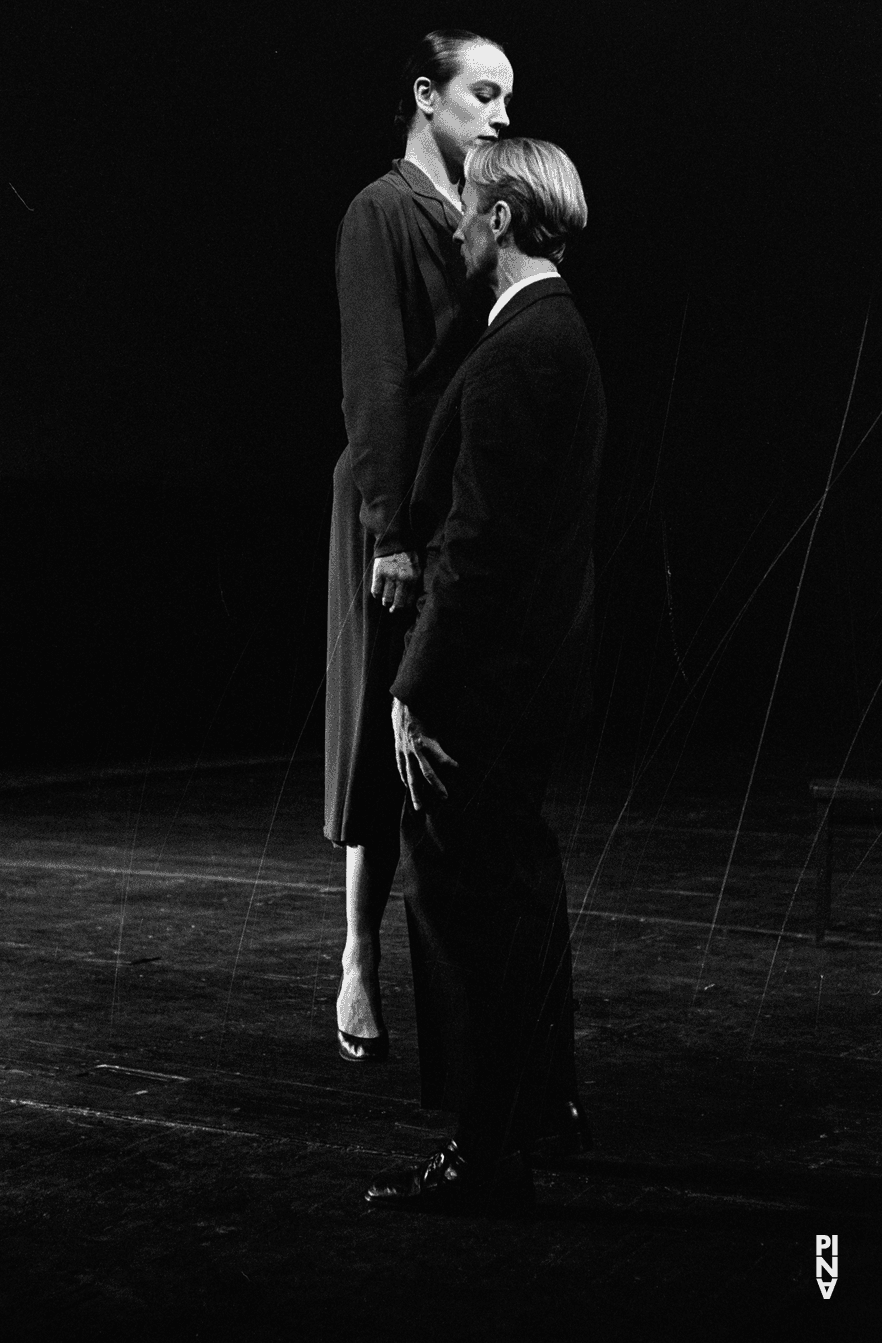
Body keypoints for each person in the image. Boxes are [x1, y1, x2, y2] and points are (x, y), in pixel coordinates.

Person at [363, 137, 606, 1210]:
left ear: (501, 220)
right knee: (516, 886)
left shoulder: (519, 353)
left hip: (482, 678)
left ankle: (484, 1149)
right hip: (531, 669)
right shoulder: (557, 336)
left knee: (462, 904)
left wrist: (414, 685)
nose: (455, 220)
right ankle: (541, 1113)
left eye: (466, 204)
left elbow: (476, 545)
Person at [326, 31, 514, 1061]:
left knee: (438, 733)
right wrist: (387, 531)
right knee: (373, 735)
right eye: (481, 95)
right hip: (390, 508)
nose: (496, 116)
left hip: (450, 499)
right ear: (424, 95)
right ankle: (356, 957)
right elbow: (377, 380)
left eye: (505, 101)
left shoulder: (474, 219)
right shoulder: (379, 213)